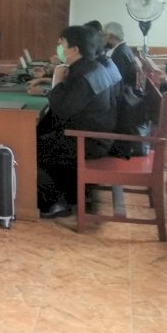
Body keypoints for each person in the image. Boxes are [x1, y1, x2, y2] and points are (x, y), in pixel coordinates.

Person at [36, 25, 117, 218]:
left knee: (35, 147)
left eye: (62, 45)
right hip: (95, 135)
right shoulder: (93, 66)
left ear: (74, 49)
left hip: (89, 141)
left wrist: (56, 82)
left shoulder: (83, 75)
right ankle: (65, 195)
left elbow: (61, 109)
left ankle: (57, 202)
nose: (61, 49)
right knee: (42, 133)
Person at [102, 22, 137, 89]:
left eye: (104, 35)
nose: (102, 38)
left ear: (111, 36)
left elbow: (117, 82)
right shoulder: (125, 48)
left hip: (124, 94)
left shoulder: (118, 54)